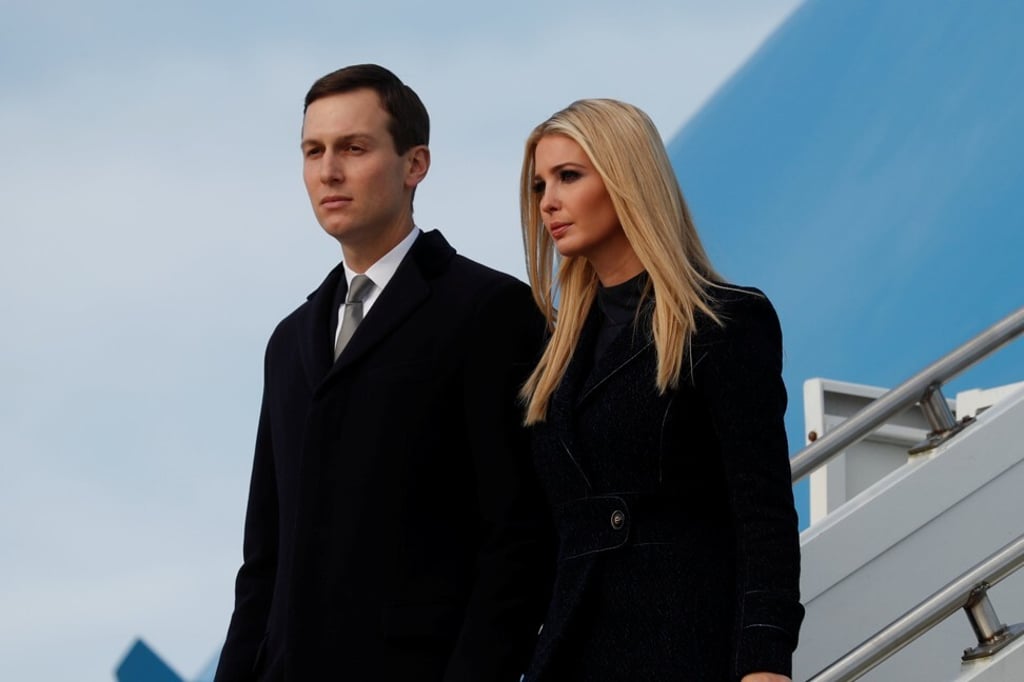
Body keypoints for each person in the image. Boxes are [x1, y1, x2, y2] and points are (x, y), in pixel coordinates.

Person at [215, 64, 551, 681]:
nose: (328, 171)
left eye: (354, 147)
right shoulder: (288, 343)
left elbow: (519, 538)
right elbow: (264, 563)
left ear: (415, 164)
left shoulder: (489, 310)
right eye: (313, 151)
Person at [517, 98, 804, 681]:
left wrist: (765, 661)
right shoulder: (551, 357)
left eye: (569, 176)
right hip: (571, 654)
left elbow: (764, 514)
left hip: (687, 645)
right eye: (539, 184)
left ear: (627, 179)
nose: (548, 201)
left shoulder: (725, 323)